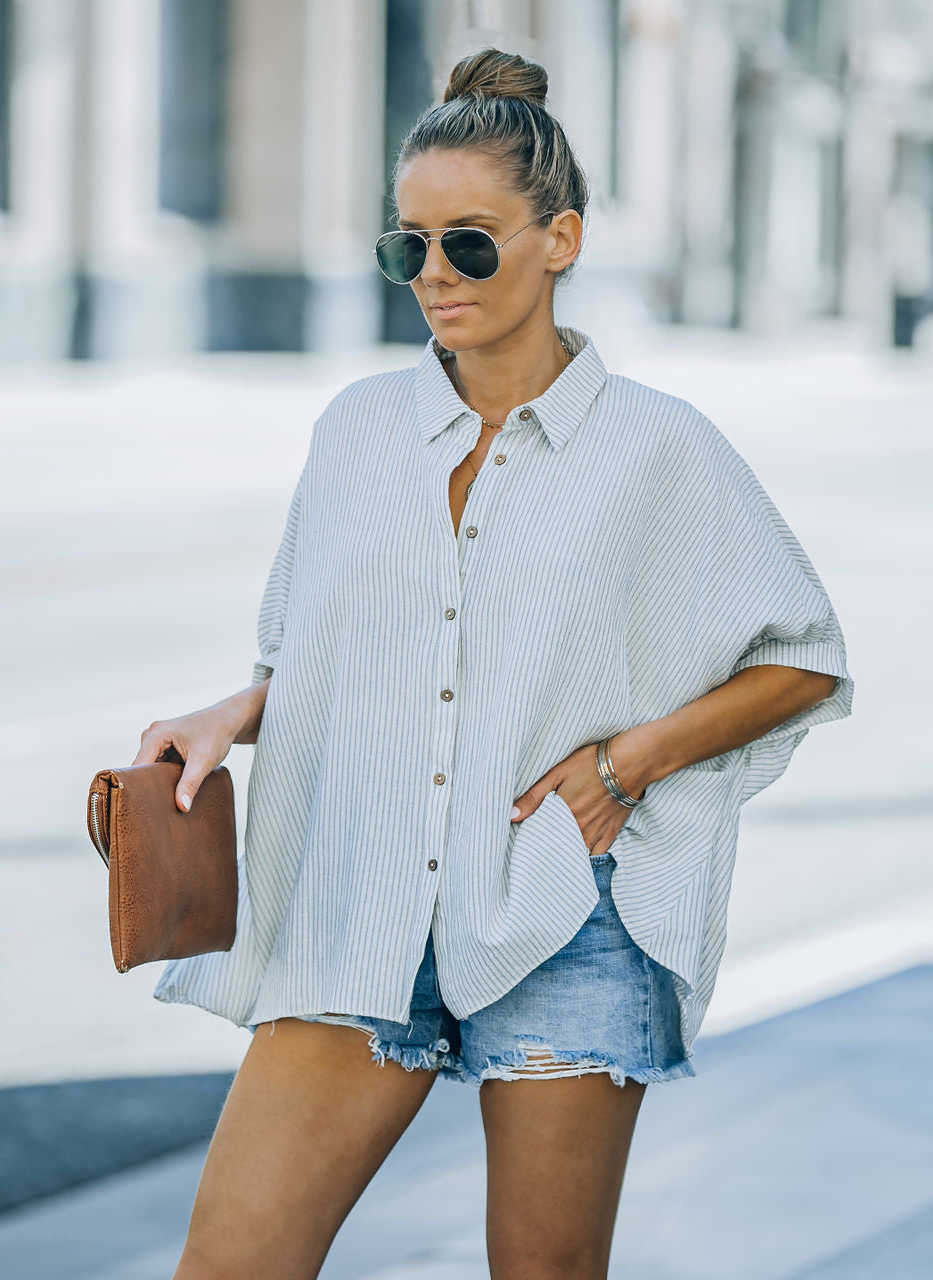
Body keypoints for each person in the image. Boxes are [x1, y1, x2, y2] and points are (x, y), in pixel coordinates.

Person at [135, 47, 853, 1280]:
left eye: (467, 242)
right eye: (404, 246)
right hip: (358, 900)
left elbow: (801, 658)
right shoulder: (356, 428)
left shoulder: (656, 449)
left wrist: (626, 762)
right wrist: (230, 712)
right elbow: (317, 651)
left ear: (558, 239)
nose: (432, 275)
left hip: (563, 915)